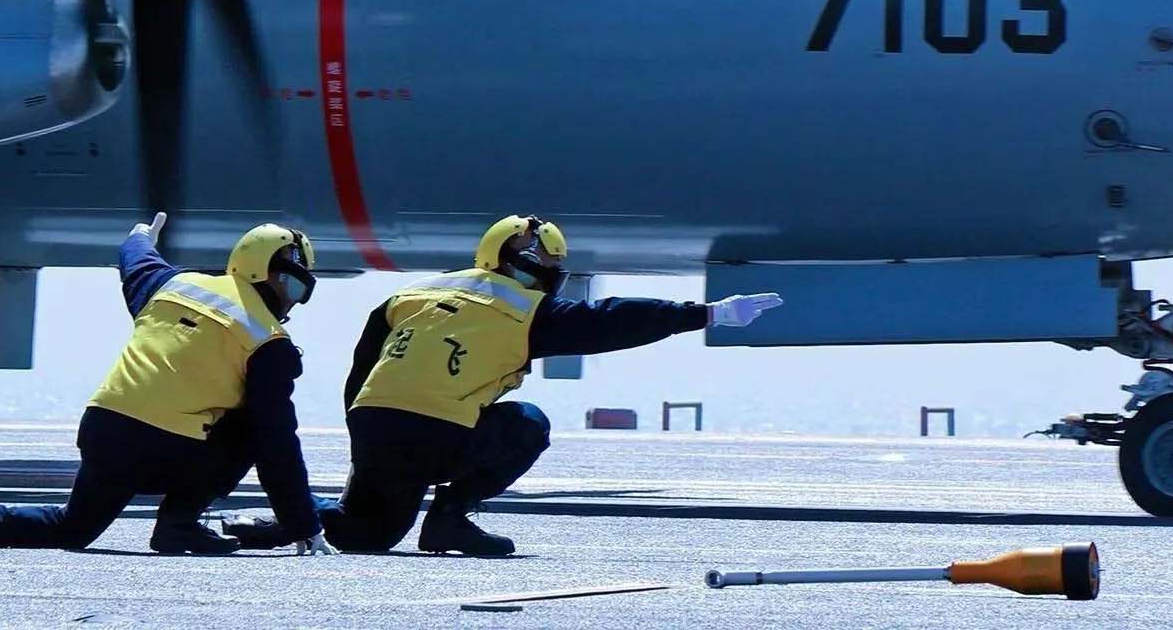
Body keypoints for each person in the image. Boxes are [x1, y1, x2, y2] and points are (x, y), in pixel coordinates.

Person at [222, 214, 785, 557]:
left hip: (376, 424)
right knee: (528, 423)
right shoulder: (529, 309)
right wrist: (706, 314)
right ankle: (450, 517)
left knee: (365, 534)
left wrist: (363, 446)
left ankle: (279, 522)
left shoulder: (410, 295)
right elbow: (613, 319)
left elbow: (363, 369)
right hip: (440, 433)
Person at [0, 212, 335, 556]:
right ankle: (178, 523)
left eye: (300, 290)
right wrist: (304, 524)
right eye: (290, 284)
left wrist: (140, 236)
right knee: (255, 428)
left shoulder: (172, 285)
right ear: (260, 272)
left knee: (71, 528)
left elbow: (136, 260)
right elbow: (278, 446)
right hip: (171, 449)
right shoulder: (269, 342)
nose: (290, 299)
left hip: (106, 432)